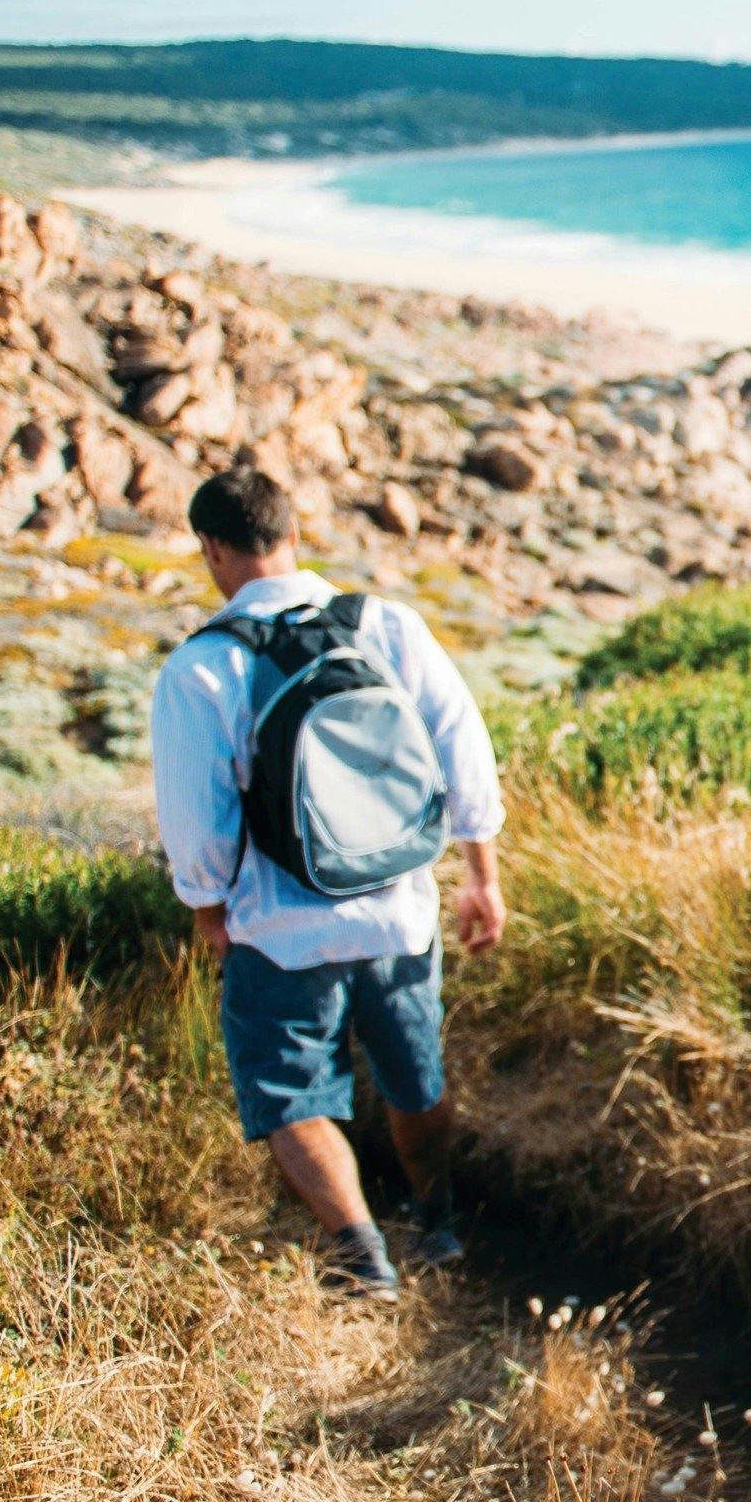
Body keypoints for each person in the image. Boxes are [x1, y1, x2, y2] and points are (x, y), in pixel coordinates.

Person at [149, 467, 507, 1302]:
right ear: (293, 530)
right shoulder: (387, 626)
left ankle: (363, 1255)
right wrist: (479, 877)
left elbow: (196, 825)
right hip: (399, 911)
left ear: (211, 548)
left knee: (289, 1095)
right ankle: (439, 1218)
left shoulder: (202, 668)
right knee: (416, 1079)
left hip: (280, 930)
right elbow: (464, 748)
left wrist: (209, 912)